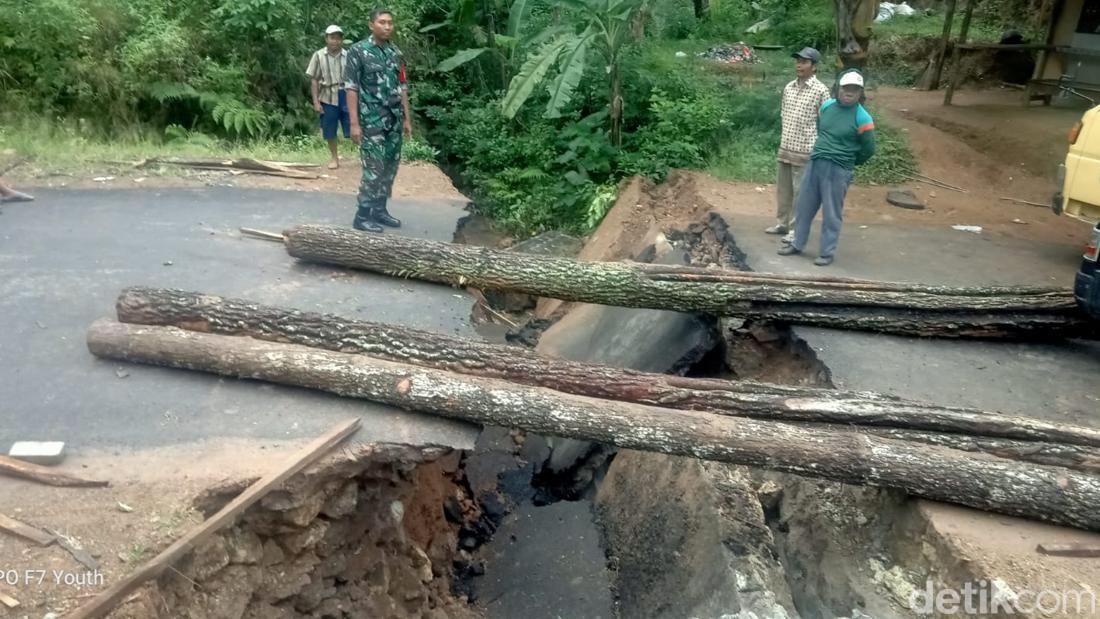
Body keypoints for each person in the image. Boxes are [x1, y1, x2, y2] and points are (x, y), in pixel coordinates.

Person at [777, 69, 875, 266]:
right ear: (838, 88)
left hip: (839, 169)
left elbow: (868, 149)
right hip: (815, 162)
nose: (849, 92)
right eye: (846, 88)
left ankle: (826, 253)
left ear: (860, 93)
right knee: (804, 206)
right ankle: (797, 243)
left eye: (854, 89)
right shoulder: (827, 106)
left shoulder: (863, 118)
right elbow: (823, 130)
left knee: (831, 213)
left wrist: (849, 161)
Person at [344, 9, 413, 233]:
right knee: (374, 168)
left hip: (394, 120)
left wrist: (407, 119)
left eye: (390, 23)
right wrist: (354, 124)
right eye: (382, 22)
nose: (387, 27)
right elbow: (351, 88)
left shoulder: (395, 52)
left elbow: (402, 87)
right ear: (371, 25)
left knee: (390, 167)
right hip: (371, 119)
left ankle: (379, 210)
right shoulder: (358, 51)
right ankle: (362, 215)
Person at [766, 47, 831, 243]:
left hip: (805, 150)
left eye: (804, 62)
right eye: (798, 61)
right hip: (786, 146)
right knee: (783, 190)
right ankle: (782, 223)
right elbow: (784, 115)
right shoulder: (789, 87)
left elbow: (826, 122)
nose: (799, 65)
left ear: (814, 66)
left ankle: (796, 230)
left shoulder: (821, 90)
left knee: (800, 194)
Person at [306, 25, 350, 170]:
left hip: (346, 95)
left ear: (341, 40)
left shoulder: (348, 55)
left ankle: (365, 156)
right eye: (332, 38)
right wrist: (315, 101)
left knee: (353, 127)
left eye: (338, 38)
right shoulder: (318, 55)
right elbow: (314, 79)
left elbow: (355, 79)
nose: (335, 41)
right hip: (327, 97)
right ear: (326, 39)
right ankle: (334, 158)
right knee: (329, 129)